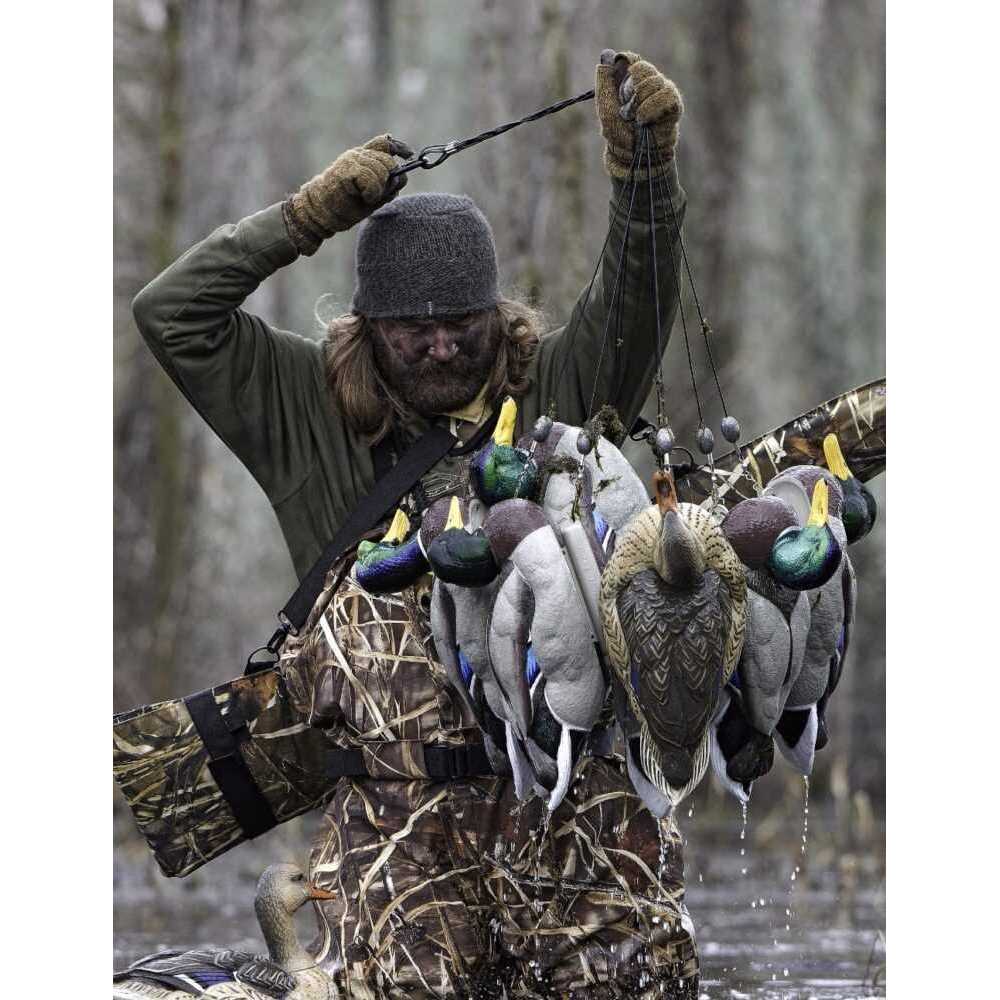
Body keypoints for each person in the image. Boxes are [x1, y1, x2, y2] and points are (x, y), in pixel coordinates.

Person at [133, 49, 697, 1000]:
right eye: (412, 330)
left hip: (572, 809)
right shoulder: (302, 405)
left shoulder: (562, 390)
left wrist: (645, 173)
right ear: (367, 326)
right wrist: (303, 220)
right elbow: (172, 315)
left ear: (497, 315)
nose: (441, 346)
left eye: (464, 324)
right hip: (393, 832)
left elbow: (636, 297)